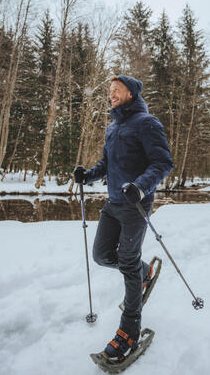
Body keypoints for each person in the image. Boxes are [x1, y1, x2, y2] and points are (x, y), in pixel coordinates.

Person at [74, 74, 173, 360]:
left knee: (127, 262)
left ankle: (128, 331)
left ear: (131, 93)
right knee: (102, 255)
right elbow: (107, 164)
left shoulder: (147, 123)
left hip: (136, 205)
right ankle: (143, 272)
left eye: (117, 90)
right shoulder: (113, 127)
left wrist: (140, 186)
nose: (112, 94)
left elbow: (163, 162)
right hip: (113, 203)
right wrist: (88, 175)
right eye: (110, 91)